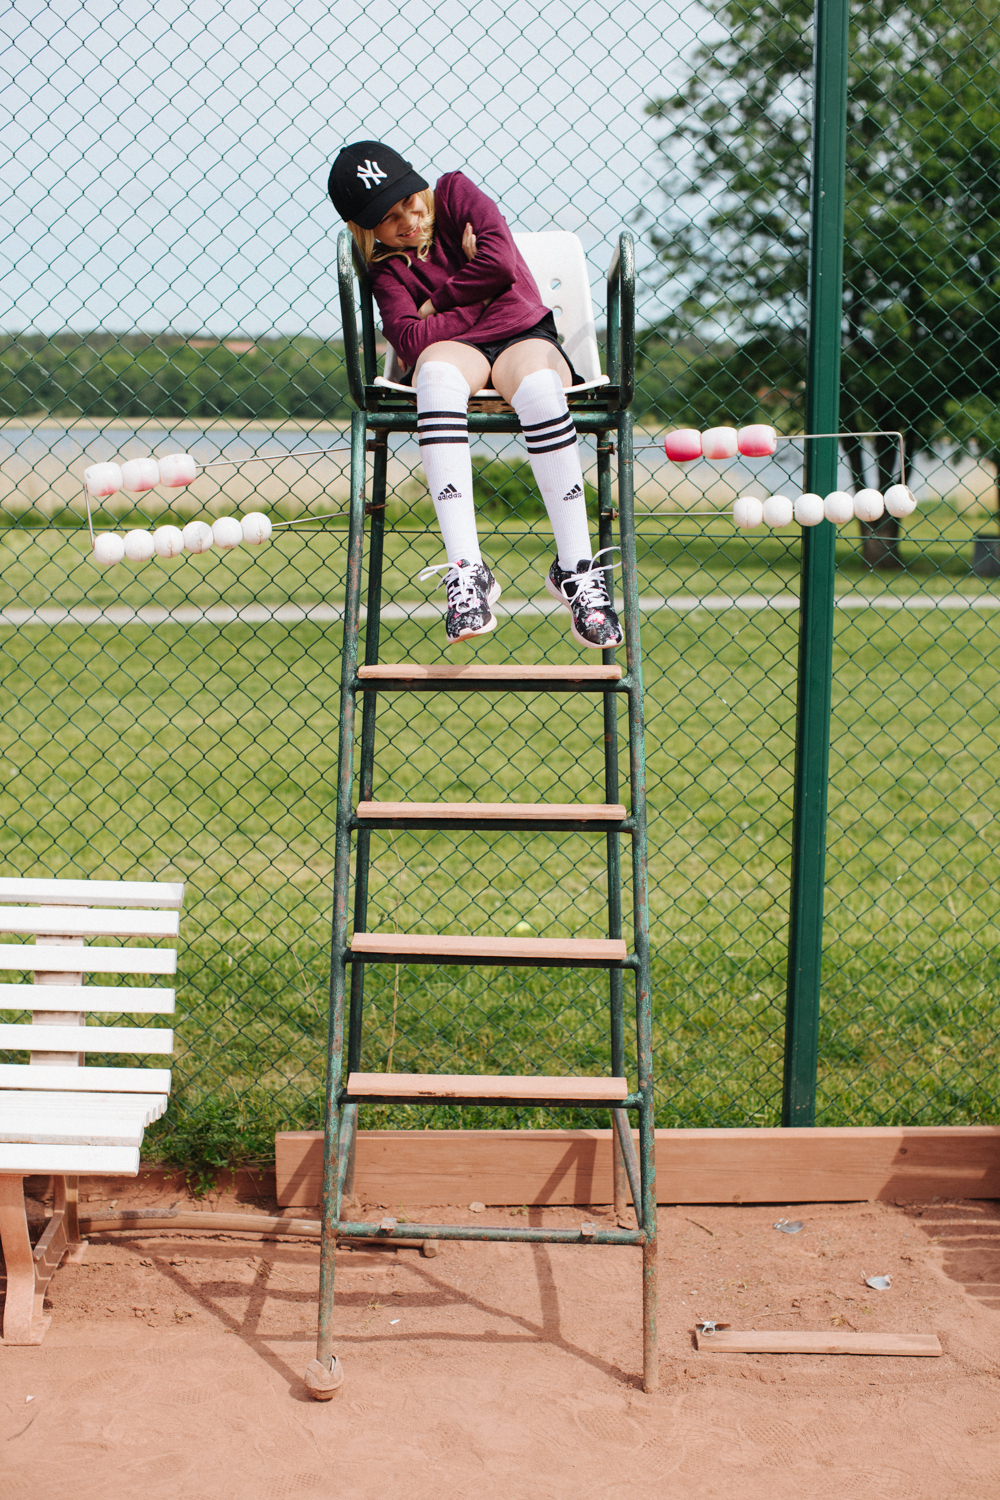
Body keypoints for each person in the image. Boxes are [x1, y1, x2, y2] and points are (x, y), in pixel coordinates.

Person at [327, 140, 623, 650]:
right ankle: (467, 572)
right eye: (389, 219)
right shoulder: (388, 271)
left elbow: (501, 264)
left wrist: (436, 303)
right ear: (365, 227)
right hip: (458, 351)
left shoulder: (454, 192)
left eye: (409, 202)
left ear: (419, 187)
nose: (409, 221)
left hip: (522, 335)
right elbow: (410, 341)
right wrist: (477, 290)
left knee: (540, 386)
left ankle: (576, 570)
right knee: (435, 377)